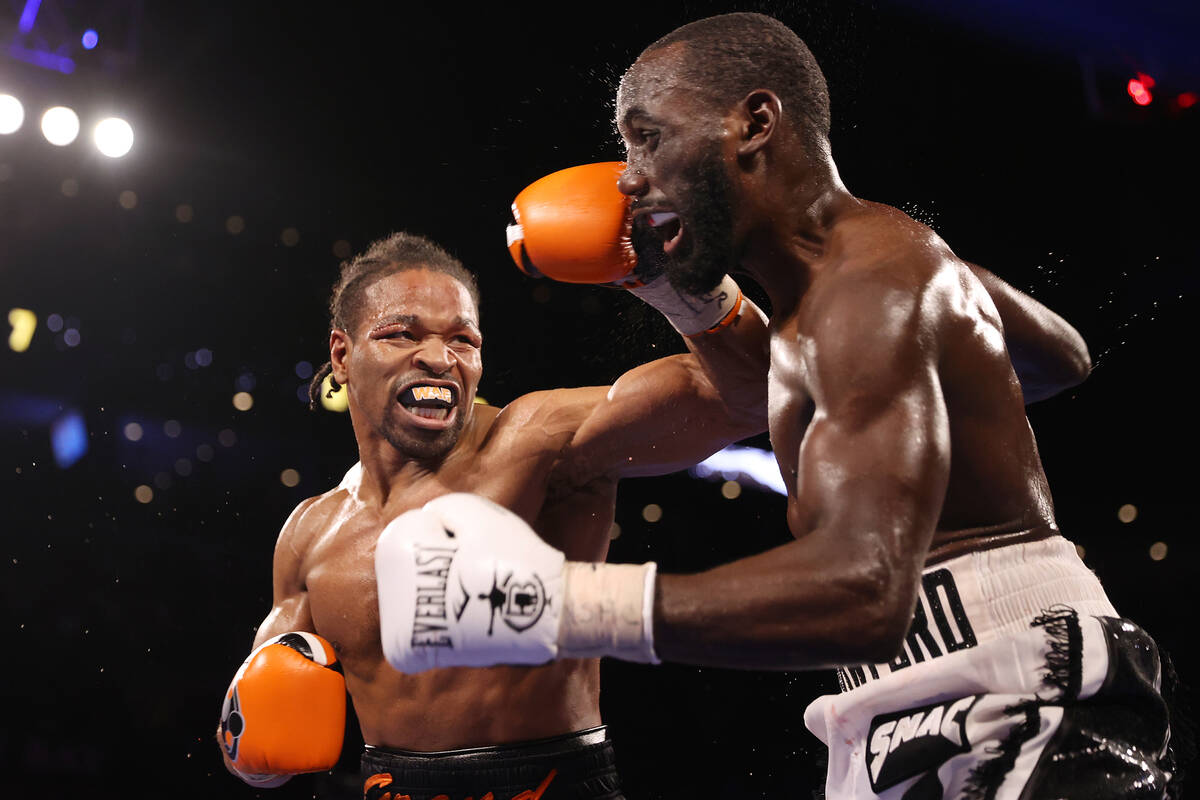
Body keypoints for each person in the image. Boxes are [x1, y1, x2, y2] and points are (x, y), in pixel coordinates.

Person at [376, 13, 1176, 799]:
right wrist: (949, 318)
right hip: (898, 699)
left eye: (647, 137)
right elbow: (1063, 357)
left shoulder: (874, 285)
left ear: (754, 123)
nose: (625, 177)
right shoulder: (864, 284)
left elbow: (863, 593)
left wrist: (548, 606)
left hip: (1018, 687)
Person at [215, 227, 775, 800]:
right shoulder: (311, 533)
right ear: (342, 355)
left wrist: (668, 278)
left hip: (552, 782)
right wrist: (253, 755)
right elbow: (254, 726)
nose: (438, 358)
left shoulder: (537, 443)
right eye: (401, 334)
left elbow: (752, 391)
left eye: (462, 339)